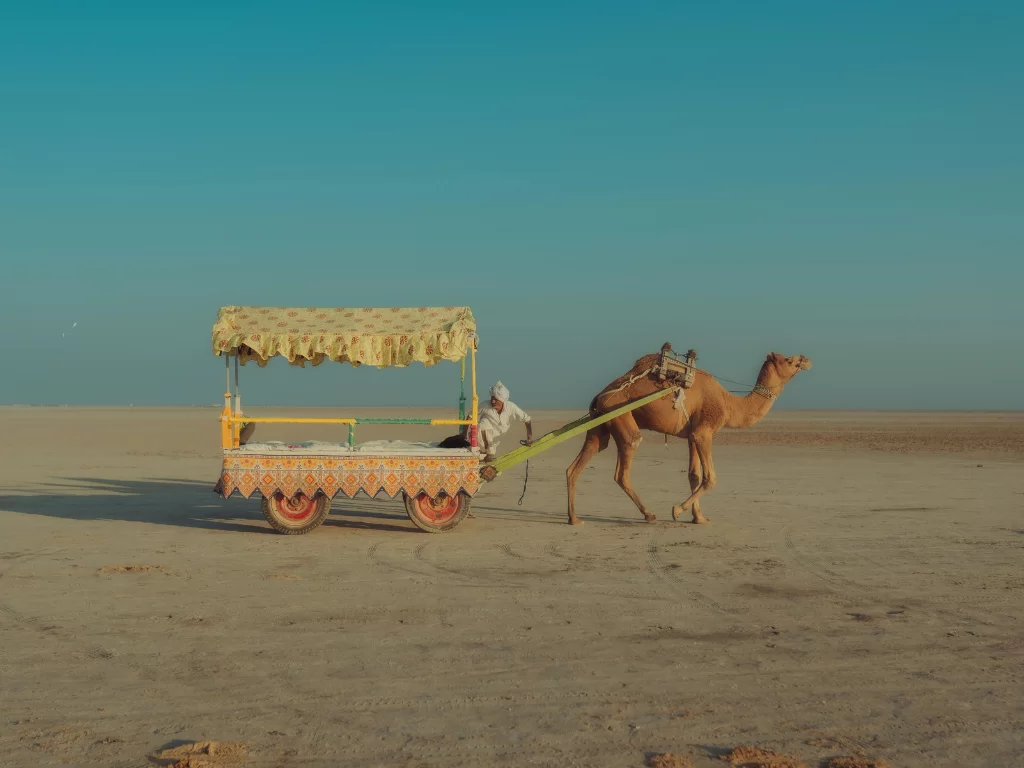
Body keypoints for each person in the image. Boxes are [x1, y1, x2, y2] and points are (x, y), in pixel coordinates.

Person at [476, 381, 532, 462]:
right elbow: (470, 416)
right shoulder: (485, 405)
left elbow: (527, 419)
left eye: (496, 400)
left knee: (490, 447)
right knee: (481, 426)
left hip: (500, 434)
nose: (493, 402)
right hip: (484, 432)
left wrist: (529, 437)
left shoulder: (511, 407)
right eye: (492, 399)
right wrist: (463, 433)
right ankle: (485, 454)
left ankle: (488, 454)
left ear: (502, 401)